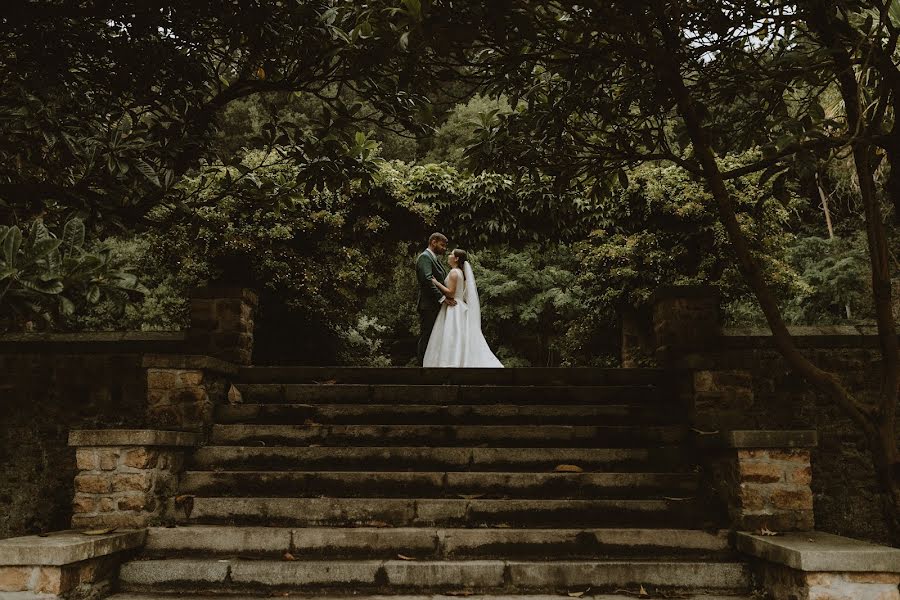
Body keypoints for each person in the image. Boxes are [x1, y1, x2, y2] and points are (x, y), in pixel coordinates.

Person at [422, 248, 503, 368]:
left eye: (451, 254)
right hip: (460, 306)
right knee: (459, 335)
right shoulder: (461, 273)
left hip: (454, 307)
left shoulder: (454, 272)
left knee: (452, 336)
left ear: (456, 258)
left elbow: (450, 293)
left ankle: (452, 362)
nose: (448, 256)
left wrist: (436, 282)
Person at [416, 233, 455, 366]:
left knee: (435, 339)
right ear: (433, 242)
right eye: (442, 245)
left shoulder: (434, 259)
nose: (444, 248)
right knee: (427, 337)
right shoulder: (424, 258)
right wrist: (443, 298)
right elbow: (427, 280)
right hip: (428, 306)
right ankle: (421, 369)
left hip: (436, 306)